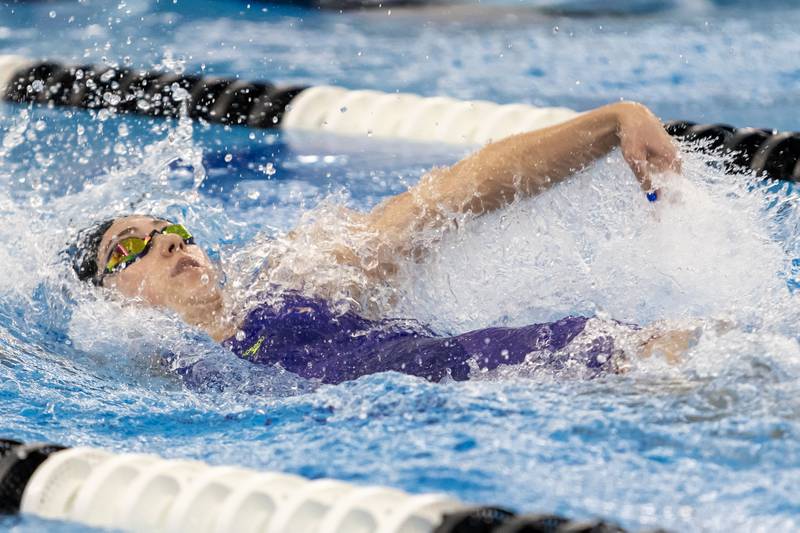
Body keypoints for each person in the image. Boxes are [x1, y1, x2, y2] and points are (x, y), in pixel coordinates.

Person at [69, 101, 699, 384]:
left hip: (529, 368)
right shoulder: (136, 375)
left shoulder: (299, 275)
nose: (169, 244)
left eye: (173, 231)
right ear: (106, 301)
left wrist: (610, 122)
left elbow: (456, 194)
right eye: (131, 247)